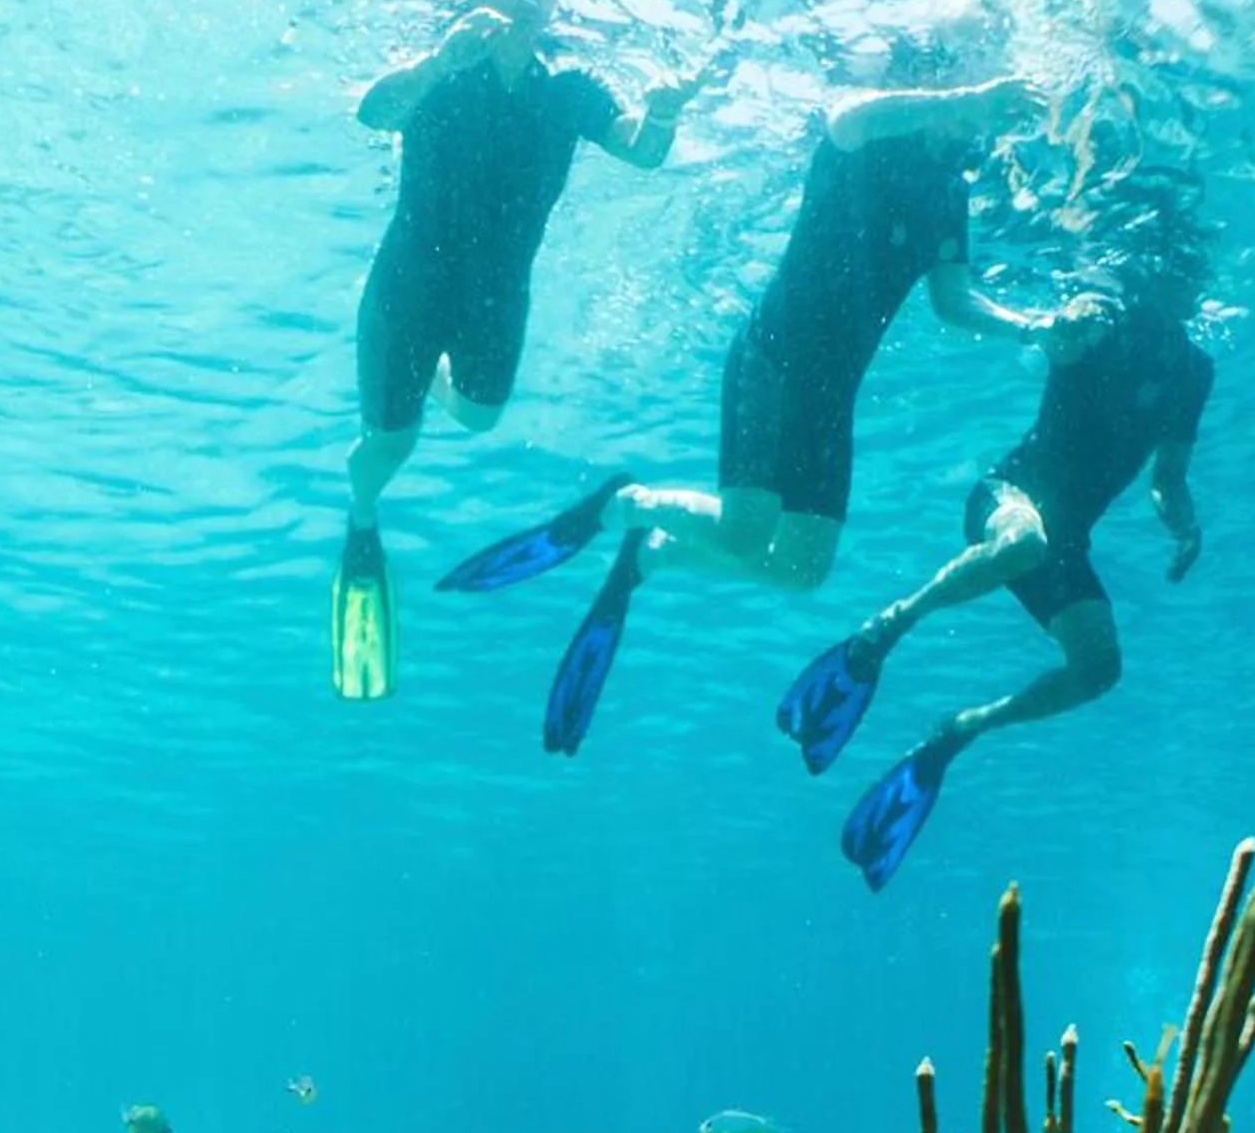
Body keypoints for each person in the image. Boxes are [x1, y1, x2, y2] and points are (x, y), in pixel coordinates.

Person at [441, 62, 1110, 753]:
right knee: (741, 531)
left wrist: (1036, 325)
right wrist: (970, 93)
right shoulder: (867, 140)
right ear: (935, 90)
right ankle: (624, 504)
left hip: (832, 393)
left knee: (802, 570)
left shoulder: (949, 193)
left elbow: (953, 300)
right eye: (973, 113)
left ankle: (652, 556)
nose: (981, 128)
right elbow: (847, 115)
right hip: (773, 361)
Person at [780, 212, 1214, 889]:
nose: (1195, 285)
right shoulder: (1103, 310)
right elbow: (1065, 330)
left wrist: (1183, 525)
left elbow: (1169, 478)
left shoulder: (1194, 370)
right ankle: (884, 630)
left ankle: (958, 731)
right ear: (1157, 273)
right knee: (1025, 541)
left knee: (1099, 668)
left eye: (1199, 274)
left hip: (1066, 541)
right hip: (1008, 496)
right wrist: (1064, 326)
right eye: (1186, 271)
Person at [333, 0, 701, 700]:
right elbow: (372, 111)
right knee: (389, 443)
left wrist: (663, 114)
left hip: (498, 293)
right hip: (407, 287)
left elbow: (641, 151)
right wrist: (437, 61)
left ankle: (427, 381)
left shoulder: (571, 86)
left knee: (477, 417)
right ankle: (362, 517)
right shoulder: (447, 63)